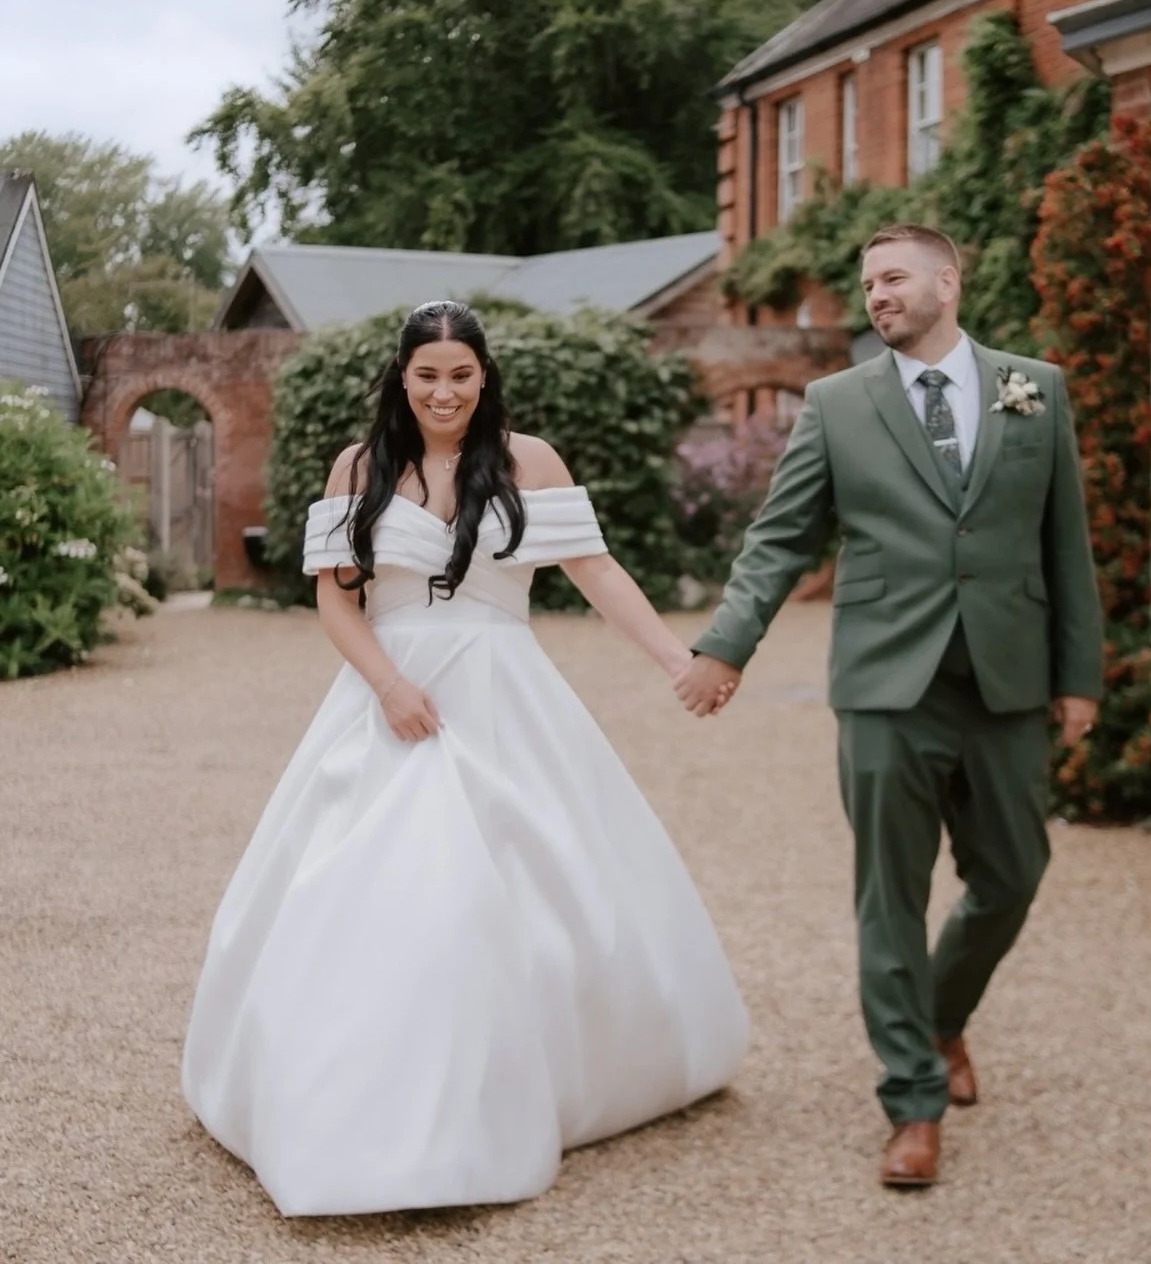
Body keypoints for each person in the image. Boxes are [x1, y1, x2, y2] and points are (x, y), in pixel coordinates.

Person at [182, 301, 748, 1217]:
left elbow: (595, 570)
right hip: (392, 695)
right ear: (401, 380)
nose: (443, 391)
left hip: (505, 692)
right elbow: (335, 602)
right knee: (384, 888)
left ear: (483, 377)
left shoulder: (532, 462)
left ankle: (513, 1087)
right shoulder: (359, 469)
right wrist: (389, 687)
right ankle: (356, 1104)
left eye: (460, 374)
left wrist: (678, 659)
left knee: (524, 880)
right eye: (426, 375)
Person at [675, 223, 1102, 1189]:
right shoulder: (836, 404)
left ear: (948, 280)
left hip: (1006, 676)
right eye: (867, 282)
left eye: (894, 277)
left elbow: (1062, 542)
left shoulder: (1035, 388)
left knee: (1013, 871)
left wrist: (1079, 676)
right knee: (889, 897)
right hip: (883, 683)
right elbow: (779, 540)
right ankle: (911, 1099)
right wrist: (724, 646)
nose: (876, 294)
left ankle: (942, 1016)